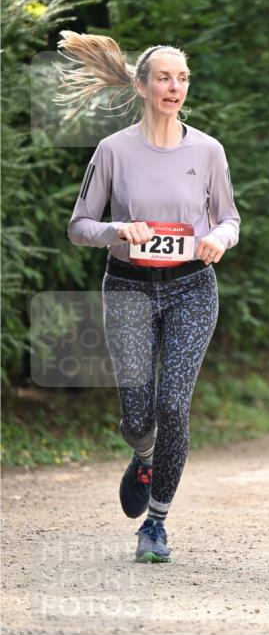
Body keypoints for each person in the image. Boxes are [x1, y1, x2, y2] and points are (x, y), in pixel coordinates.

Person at [61, 31, 240, 563]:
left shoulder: (207, 150)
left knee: (173, 406)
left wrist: (218, 238)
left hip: (191, 287)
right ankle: (143, 455)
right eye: (164, 77)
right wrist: (117, 228)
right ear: (142, 86)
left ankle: (156, 525)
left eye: (182, 77)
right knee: (139, 417)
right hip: (129, 287)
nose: (174, 86)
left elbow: (230, 217)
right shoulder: (113, 150)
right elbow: (78, 226)